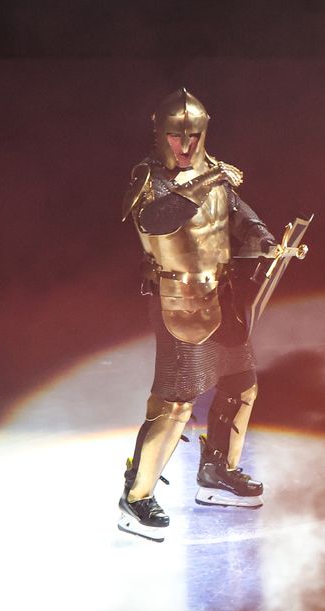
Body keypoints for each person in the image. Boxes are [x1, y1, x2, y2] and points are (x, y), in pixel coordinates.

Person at [117, 88, 281, 540]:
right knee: (174, 403)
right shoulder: (149, 176)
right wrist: (210, 181)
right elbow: (156, 220)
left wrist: (267, 242)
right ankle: (136, 497)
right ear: (161, 134)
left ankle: (217, 474)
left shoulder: (218, 176)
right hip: (177, 301)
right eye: (176, 137)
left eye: (193, 136)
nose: (185, 146)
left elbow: (240, 218)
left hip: (222, 296)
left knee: (240, 385)